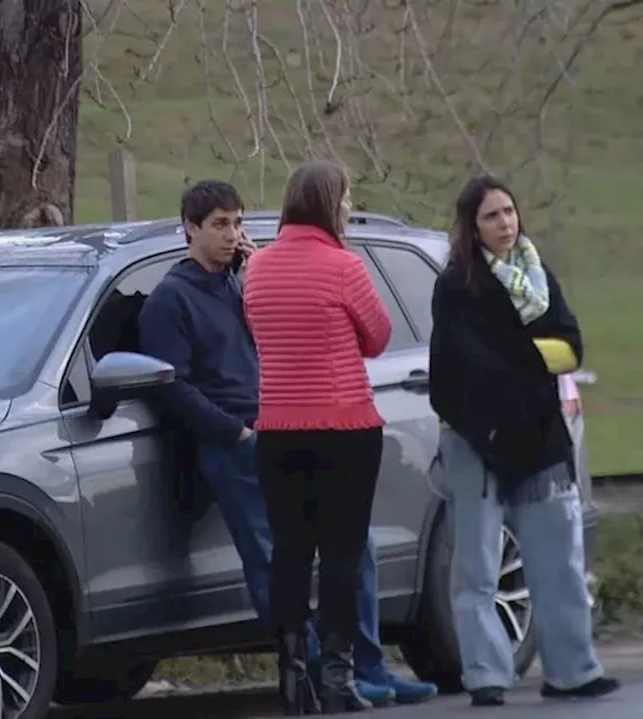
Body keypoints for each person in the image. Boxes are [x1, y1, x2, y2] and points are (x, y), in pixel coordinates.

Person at [138, 179, 437, 714]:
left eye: (237, 223)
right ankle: (314, 672)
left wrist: (252, 275)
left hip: (289, 425)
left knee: (353, 548)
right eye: (219, 225)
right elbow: (171, 384)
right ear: (189, 228)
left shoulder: (245, 280)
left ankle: (365, 667)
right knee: (276, 558)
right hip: (237, 441)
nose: (233, 235)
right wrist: (234, 431)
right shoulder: (171, 299)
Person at [427, 173, 620, 707]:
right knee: (477, 569)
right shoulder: (456, 287)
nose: (505, 223)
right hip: (473, 439)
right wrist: (529, 359)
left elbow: (571, 348)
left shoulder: (536, 275)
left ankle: (573, 673)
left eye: (509, 211)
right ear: (472, 226)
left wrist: (518, 357)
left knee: (558, 562)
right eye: (491, 216)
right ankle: (487, 676)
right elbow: (462, 368)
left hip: (538, 440)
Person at [242, 162, 395, 714]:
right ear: (330, 203)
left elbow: (259, 332)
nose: (350, 207)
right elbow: (378, 337)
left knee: (288, 552)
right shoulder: (343, 266)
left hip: (278, 428)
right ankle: (337, 675)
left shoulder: (256, 269)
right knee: (341, 555)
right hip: (344, 426)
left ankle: (291, 673)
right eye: (347, 198)